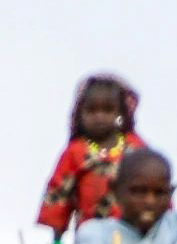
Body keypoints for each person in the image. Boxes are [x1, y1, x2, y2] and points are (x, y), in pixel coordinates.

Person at [37, 75, 139, 235]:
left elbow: (155, 183)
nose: (99, 117)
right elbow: (59, 194)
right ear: (79, 114)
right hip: (91, 239)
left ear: (122, 114)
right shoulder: (75, 152)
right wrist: (56, 241)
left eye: (108, 110)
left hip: (134, 235)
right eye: (91, 111)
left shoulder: (136, 148)